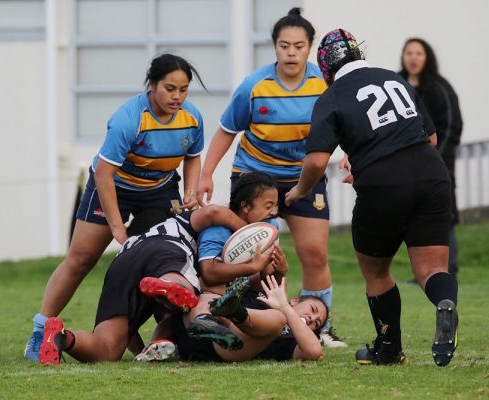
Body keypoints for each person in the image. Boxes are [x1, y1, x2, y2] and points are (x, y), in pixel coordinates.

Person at [285, 28, 459, 367]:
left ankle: (389, 347)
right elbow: (431, 138)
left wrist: (301, 190)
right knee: (431, 269)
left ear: (325, 70)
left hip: (383, 183)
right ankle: (445, 304)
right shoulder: (393, 79)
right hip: (431, 173)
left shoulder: (332, 96)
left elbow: (318, 161)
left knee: (377, 273)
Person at [25, 54, 206, 361]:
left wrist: (190, 191)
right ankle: (40, 332)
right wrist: (117, 228)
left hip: (160, 190)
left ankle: (163, 337)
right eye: (170, 88)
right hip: (114, 188)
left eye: (184, 89)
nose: (177, 97)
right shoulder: (128, 119)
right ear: (152, 85)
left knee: (162, 259)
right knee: (81, 258)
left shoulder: (192, 117)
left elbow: (193, 156)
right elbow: (104, 175)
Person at [196, 7, 345, 348]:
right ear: (274, 47)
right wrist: (206, 174)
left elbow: (345, 124)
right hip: (255, 176)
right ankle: (249, 314)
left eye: (299, 46)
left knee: (315, 253)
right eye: (283, 45)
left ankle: (320, 326)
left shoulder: (324, 84)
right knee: (254, 253)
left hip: (303, 178)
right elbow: (225, 131)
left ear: (310, 48)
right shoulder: (254, 85)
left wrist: (350, 156)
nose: (291, 52)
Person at [38, 204, 249, 365]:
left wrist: (144, 351)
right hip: (164, 250)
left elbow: (128, 335)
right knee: (187, 295)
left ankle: (62, 337)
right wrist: (248, 232)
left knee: (108, 348)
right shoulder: (176, 224)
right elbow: (212, 212)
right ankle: (169, 284)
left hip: (120, 266)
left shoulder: (129, 243)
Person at [137, 276, 325, 362]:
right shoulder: (259, 294)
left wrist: (285, 308)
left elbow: (314, 352)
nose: (312, 318)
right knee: (209, 298)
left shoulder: (293, 340)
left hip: (228, 349)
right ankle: (207, 319)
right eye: (313, 310)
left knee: (278, 317)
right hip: (195, 329)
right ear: (297, 300)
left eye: (317, 323)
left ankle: (235, 314)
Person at [399, 38, 463, 279]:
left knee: (443, 217)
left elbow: (452, 126)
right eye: (409, 53)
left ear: (427, 57)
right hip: (404, 169)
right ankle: (422, 273)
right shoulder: (396, 84)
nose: (413, 58)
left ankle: (448, 269)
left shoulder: (440, 88)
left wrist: (435, 158)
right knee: (414, 220)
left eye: (419, 53)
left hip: (438, 167)